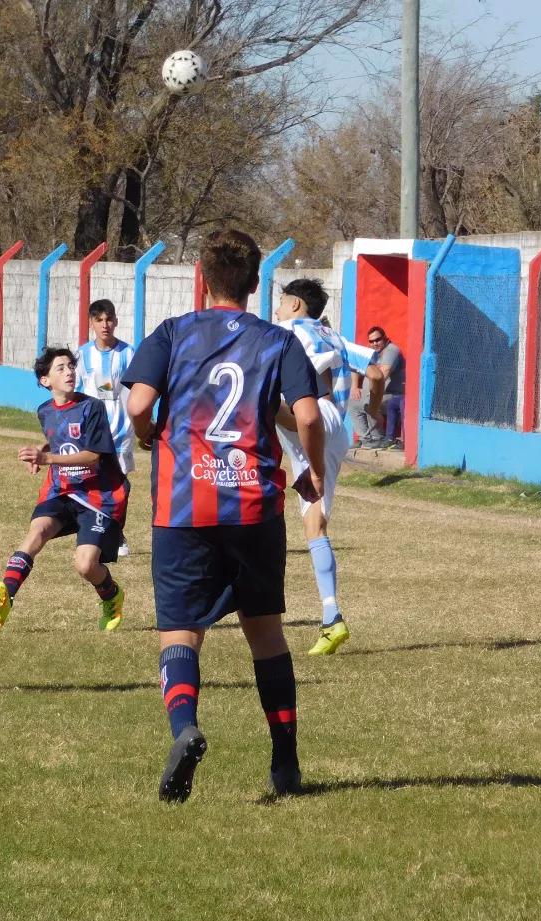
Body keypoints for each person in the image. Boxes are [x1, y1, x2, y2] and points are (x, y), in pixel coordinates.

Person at [122, 229, 326, 802]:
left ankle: (185, 728)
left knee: (180, 630)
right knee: (265, 632)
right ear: (256, 282)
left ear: (201, 277)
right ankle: (284, 760)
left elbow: (138, 404)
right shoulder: (277, 340)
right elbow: (309, 417)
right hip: (253, 507)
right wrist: (314, 472)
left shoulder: (172, 332)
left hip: (184, 505)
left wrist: (146, 431)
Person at [0, 348, 129, 632]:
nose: (69, 372)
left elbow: (92, 456)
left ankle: (112, 595)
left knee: (86, 565)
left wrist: (47, 458)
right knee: (37, 532)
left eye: (71, 366)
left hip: (98, 496)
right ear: (45, 380)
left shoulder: (92, 408)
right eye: (60, 368)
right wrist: (44, 448)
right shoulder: (45, 411)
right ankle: (7, 593)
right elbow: (60, 437)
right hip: (61, 489)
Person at [273, 277, 356, 655]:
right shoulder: (332, 334)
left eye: (281, 302)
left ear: (295, 305)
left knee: (257, 397)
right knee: (314, 524)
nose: (277, 310)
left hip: (312, 419)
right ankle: (331, 616)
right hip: (334, 423)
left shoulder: (288, 331)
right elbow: (373, 370)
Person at [75, 298, 137, 556]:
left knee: (120, 486)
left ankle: (117, 534)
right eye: (99, 320)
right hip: (93, 433)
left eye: (109, 319)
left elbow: (136, 391)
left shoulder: (128, 354)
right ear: (91, 323)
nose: (105, 325)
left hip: (121, 431)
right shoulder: (82, 355)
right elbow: (77, 392)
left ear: (116, 322)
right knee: (91, 484)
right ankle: (91, 533)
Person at [348, 326, 404, 448]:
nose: (375, 343)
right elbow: (355, 365)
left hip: (391, 395)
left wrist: (375, 390)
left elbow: (385, 370)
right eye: (371, 341)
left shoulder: (391, 351)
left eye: (378, 340)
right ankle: (365, 439)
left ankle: (378, 438)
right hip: (374, 392)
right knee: (352, 402)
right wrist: (355, 387)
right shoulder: (371, 352)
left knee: (370, 401)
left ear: (385, 338)